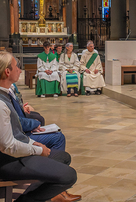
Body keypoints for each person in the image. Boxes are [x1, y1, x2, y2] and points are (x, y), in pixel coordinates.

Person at [0, 51, 80, 202]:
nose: (19, 70)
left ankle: (36, 193)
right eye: (17, 67)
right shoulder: (0, 103)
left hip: (17, 152)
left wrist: (32, 142)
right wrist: (37, 150)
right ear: (7, 71)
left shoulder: (4, 94)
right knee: (69, 175)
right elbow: (7, 146)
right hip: (8, 161)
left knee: (63, 157)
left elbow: (15, 132)